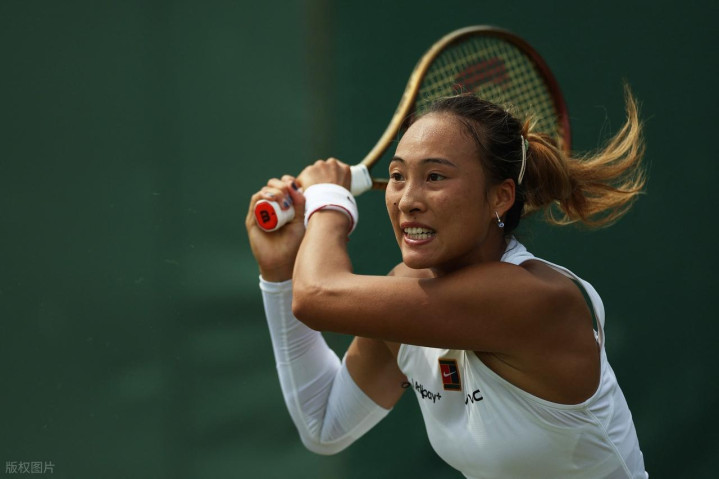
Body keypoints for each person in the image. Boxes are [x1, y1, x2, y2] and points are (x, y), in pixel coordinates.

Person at [245, 90, 648, 478]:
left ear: (500, 197)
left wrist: (328, 201)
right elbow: (324, 424)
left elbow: (317, 296)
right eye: (398, 176)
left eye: (435, 176)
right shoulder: (409, 292)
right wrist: (280, 272)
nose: (407, 200)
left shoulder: (529, 298)